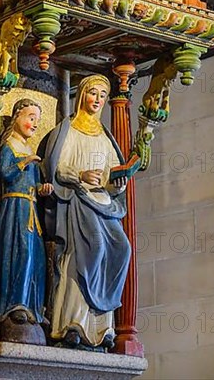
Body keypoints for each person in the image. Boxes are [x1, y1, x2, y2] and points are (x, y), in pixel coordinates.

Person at [41, 75, 140, 350]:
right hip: (79, 199)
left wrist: (117, 182)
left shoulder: (104, 136)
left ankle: (102, 328)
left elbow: (113, 175)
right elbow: (58, 167)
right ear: (82, 95)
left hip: (103, 202)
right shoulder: (69, 130)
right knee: (90, 250)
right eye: (92, 93)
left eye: (102, 96)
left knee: (121, 249)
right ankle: (72, 322)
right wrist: (81, 174)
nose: (97, 100)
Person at [0, 98, 53, 333]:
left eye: (37, 120)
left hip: (31, 208)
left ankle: (33, 307)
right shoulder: (10, 145)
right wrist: (26, 161)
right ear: (17, 116)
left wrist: (43, 189)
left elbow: (36, 182)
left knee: (37, 257)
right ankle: (13, 304)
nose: (34, 123)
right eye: (30, 117)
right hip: (15, 206)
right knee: (21, 253)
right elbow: (5, 173)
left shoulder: (28, 148)